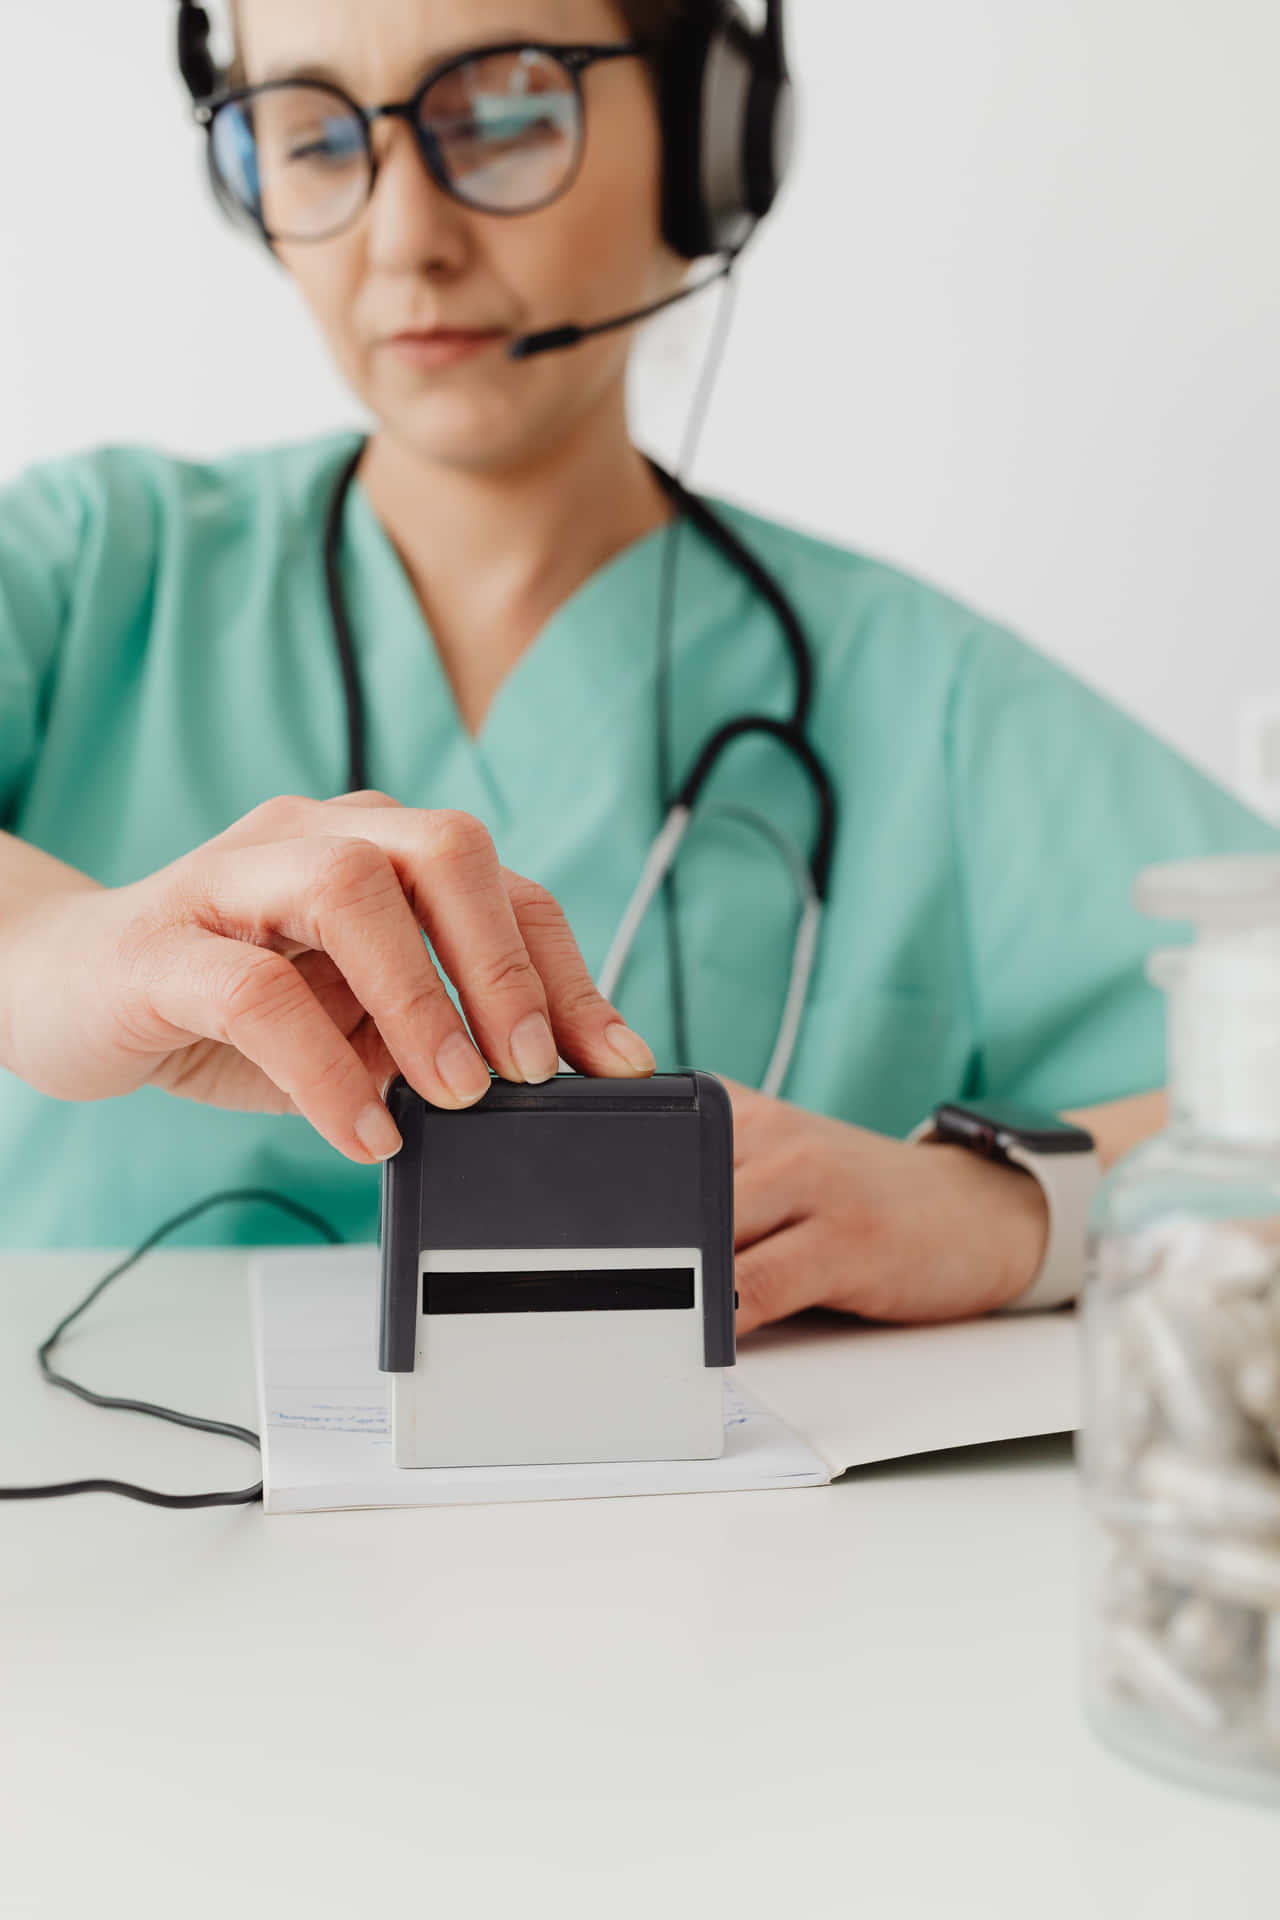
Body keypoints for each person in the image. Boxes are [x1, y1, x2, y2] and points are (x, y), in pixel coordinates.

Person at [0, 0, 1275, 1334]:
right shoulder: (88, 568)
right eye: (313, 137)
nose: (403, 241)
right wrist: (47, 950)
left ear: (707, 141)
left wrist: (1015, 1205)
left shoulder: (925, 699)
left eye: (500, 119)